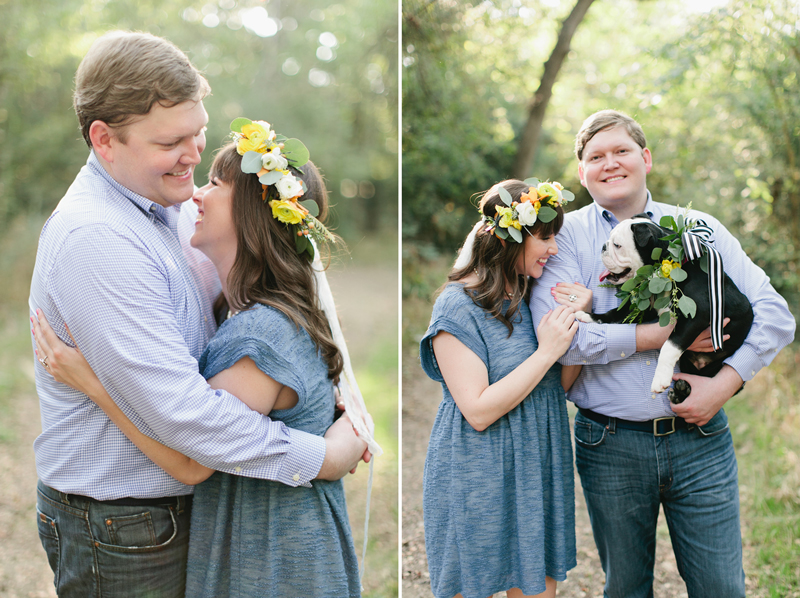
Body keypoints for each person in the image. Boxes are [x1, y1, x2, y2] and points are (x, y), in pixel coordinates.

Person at [28, 31, 366, 597]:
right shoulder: (97, 239)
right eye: (171, 141)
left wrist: (326, 408)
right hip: (124, 525)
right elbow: (186, 420)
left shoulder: (170, 204)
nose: (191, 156)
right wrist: (319, 454)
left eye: (198, 134)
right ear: (105, 139)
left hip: (186, 513)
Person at [529, 109, 796, 598]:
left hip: (701, 438)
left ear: (645, 158)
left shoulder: (697, 229)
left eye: (621, 151)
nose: (609, 163)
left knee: (722, 589)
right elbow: (564, 340)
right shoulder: (563, 239)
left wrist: (724, 382)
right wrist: (661, 333)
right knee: (626, 589)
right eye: (595, 157)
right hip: (608, 443)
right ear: (582, 172)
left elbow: (775, 315)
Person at [419, 179, 586, 598]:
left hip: (538, 461)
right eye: (545, 238)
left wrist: (577, 325)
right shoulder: (458, 306)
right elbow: (476, 410)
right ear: (513, 236)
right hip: (479, 470)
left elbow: (555, 388)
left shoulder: (532, 294)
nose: (554, 249)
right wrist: (547, 352)